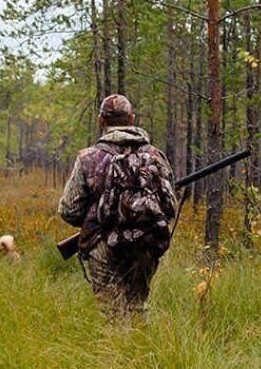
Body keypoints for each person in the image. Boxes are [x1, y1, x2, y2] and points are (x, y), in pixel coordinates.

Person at [58, 94, 176, 322]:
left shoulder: (88, 158)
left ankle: (112, 356)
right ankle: (141, 355)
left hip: (102, 245)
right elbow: (169, 207)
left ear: (100, 120)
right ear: (132, 119)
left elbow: (68, 210)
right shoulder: (155, 156)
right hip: (146, 243)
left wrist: (96, 216)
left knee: (108, 312)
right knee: (138, 306)